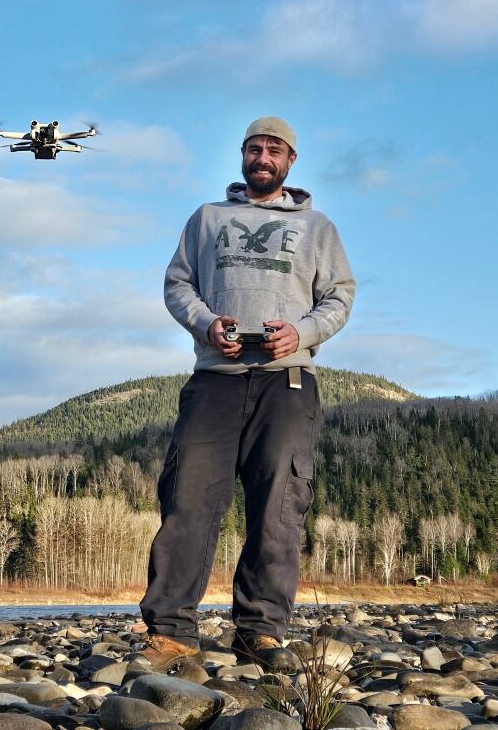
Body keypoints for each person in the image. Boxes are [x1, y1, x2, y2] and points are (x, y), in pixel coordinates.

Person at [138, 116, 356, 671]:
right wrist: (207, 324)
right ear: (242, 155)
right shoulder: (208, 219)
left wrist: (300, 334)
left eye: (275, 150)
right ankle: (171, 632)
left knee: (279, 506)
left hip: (287, 381)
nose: (264, 157)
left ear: (290, 161)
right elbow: (177, 284)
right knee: (188, 498)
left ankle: (259, 631)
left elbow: (338, 298)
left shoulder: (318, 228)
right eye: (255, 148)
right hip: (216, 378)